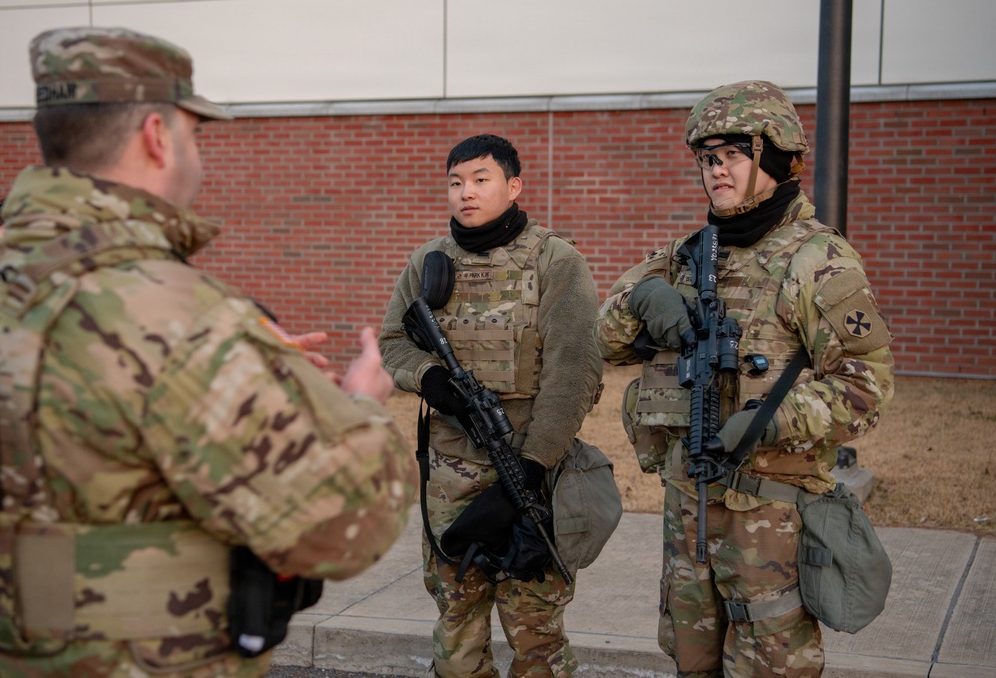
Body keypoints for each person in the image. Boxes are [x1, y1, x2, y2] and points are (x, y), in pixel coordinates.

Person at [0, 26, 417, 677]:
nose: (198, 154)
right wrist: (362, 404)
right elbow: (337, 527)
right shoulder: (178, 317)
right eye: (196, 135)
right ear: (157, 137)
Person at [593, 80, 895, 678]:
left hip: (771, 521)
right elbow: (605, 340)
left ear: (774, 157)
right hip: (688, 506)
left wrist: (770, 419)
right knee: (691, 662)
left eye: (731, 155)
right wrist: (644, 300)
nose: (715, 171)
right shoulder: (685, 255)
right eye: (707, 159)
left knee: (770, 668)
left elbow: (866, 387)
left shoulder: (816, 260)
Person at [378, 134, 604, 677]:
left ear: (513, 186)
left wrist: (529, 470)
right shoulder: (429, 262)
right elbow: (393, 342)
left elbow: (573, 374)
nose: (465, 193)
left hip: (531, 473)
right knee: (457, 630)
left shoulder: (555, 260)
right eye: (455, 182)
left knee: (537, 638)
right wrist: (428, 377)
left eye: (480, 180)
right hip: (451, 477)